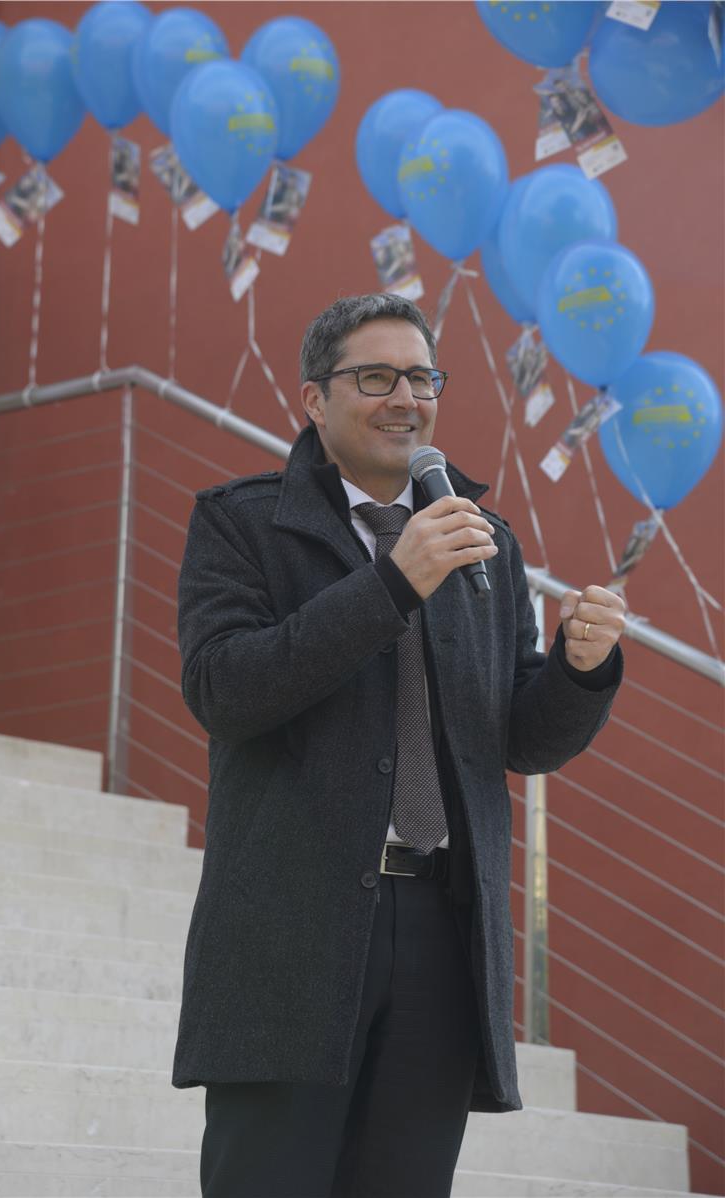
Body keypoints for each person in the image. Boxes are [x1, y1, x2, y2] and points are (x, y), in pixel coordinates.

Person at [172, 294, 625, 1198]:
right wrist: (392, 583)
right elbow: (225, 691)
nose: (405, 399)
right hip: (291, 929)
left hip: (443, 926)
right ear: (314, 399)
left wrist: (582, 670)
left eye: (422, 378)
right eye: (375, 377)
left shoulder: (484, 542)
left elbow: (519, 740)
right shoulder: (242, 522)